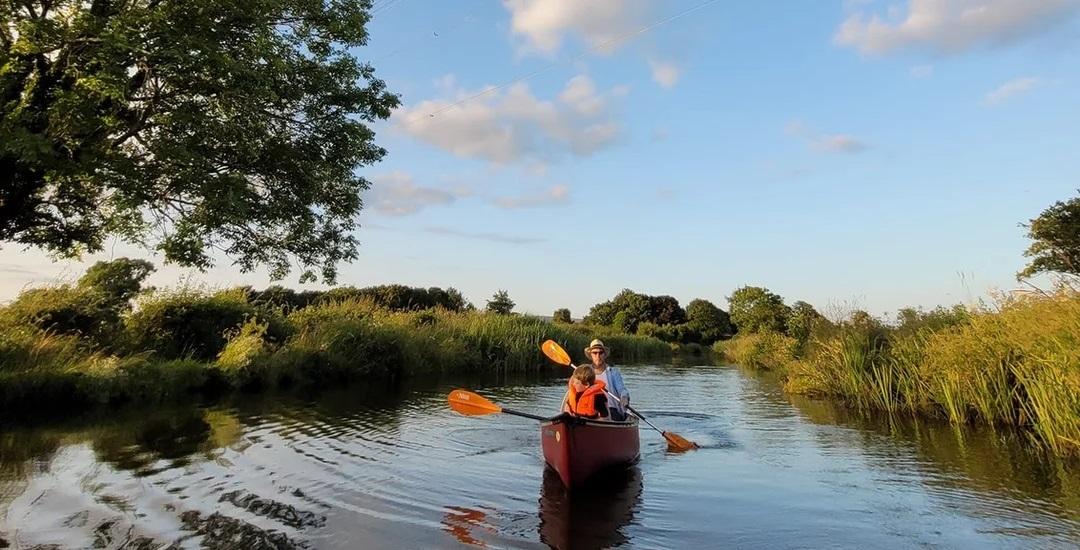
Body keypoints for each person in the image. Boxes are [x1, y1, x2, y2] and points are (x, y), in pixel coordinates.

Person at [584, 339, 630, 421]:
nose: (598, 356)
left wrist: (624, 397)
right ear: (591, 355)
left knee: (607, 417)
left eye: (600, 353)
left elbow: (622, 389)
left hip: (611, 409)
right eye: (595, 353)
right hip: (591, 410)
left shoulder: (613, 372)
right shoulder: (585, 372)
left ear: (604, 355)